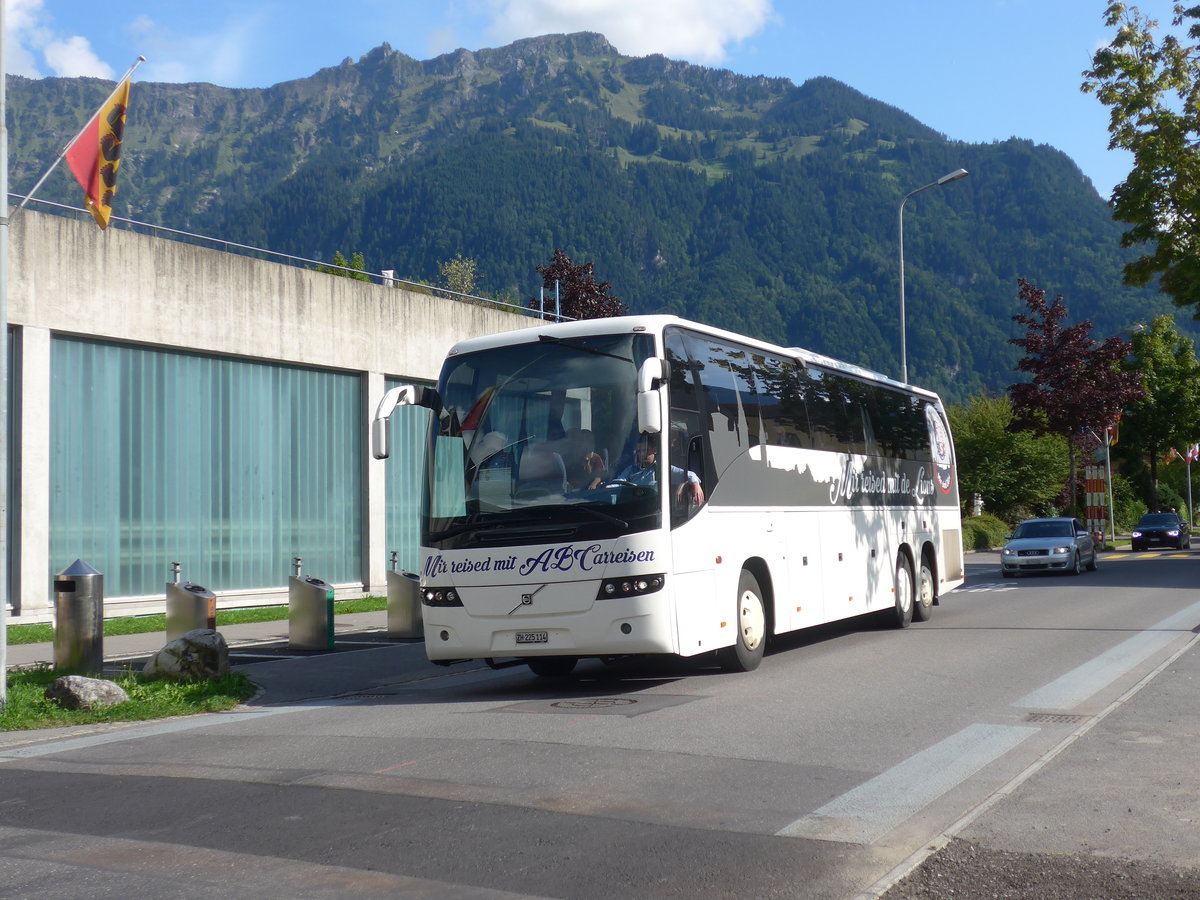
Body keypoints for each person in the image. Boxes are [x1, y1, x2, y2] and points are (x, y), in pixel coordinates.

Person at [591, 433, 704, 505]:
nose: (641, 454)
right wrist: (605, 489)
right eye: (639, 451)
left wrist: (695, 485)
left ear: (654, 450)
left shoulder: (662, 469)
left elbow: (690, 475)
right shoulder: (631, 469)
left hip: (651, 511)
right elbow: (619, 483)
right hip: (631, 508)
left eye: (644, 450)